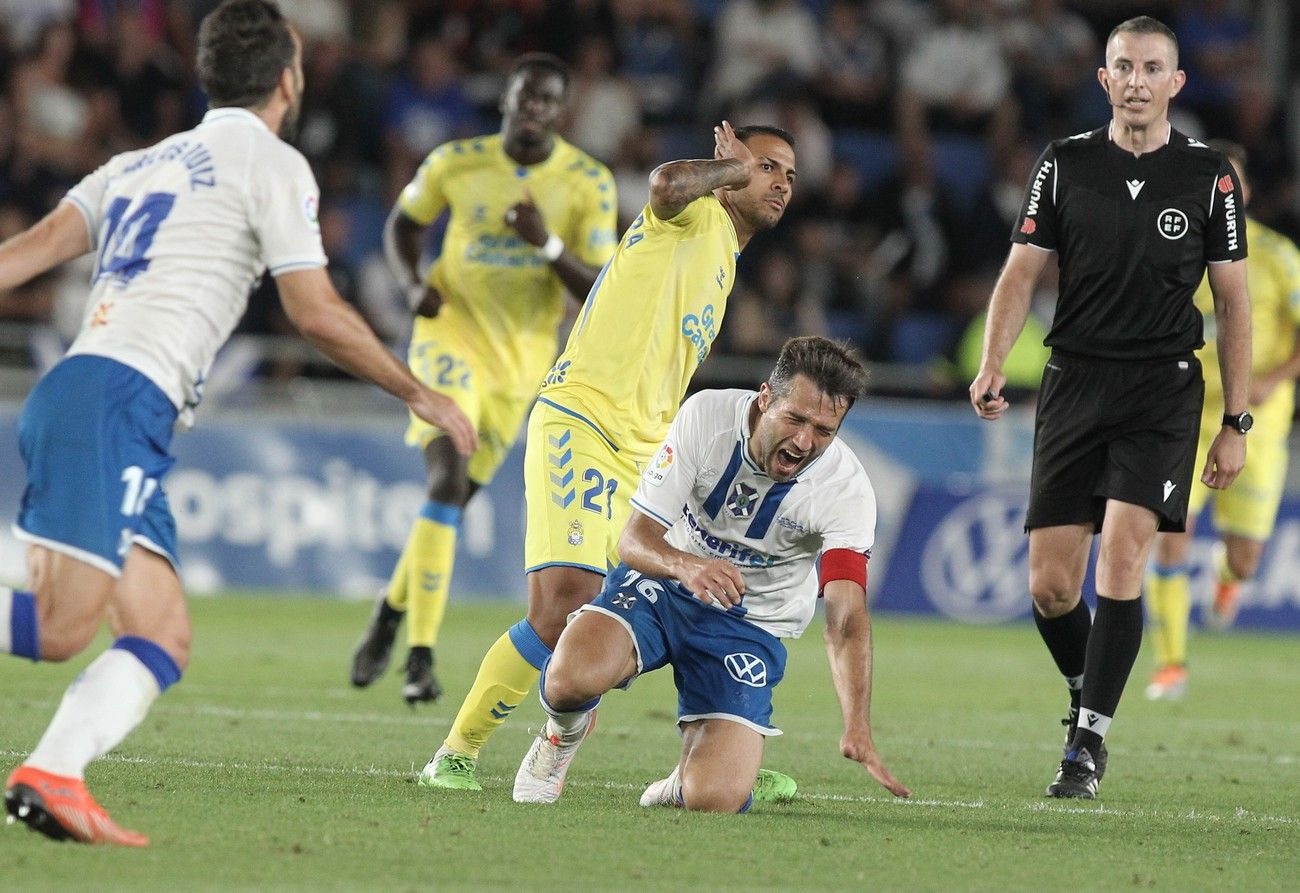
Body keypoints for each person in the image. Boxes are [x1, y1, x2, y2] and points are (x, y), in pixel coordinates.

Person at [0, 0, 476, 846]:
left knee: (160, 631)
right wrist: (421, 393)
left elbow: (29, 248)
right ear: (289, 76)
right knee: (58, 628)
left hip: (96, 394)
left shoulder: (134, 162)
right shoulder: (274, 162)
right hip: (119, 398)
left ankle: (53, 771)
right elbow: (317, 311)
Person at [418, 120, 798, 793]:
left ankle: (731, 743)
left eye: (789, 175)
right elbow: (664, 183)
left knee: (705, 594)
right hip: (584, 420)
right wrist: (730, 171)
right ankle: (455, 752)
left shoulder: (725, 259)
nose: (779, 183)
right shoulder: (693, 216)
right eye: (767, 166)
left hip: (648, 450)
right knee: (565, 600)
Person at [968, 15, 1251, 800]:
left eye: (1151, 67)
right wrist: (993, 361)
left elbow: (1233, 302)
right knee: (1052, 587)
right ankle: (1085, 690)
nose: (1135, 80)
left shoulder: (1211, 176)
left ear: (1175, 83)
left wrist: (1236, 422)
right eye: (1122, 66)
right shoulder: (1064, 165)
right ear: (1104, 79)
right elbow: (1021, 273)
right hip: (1074, 381)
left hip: (1161, 389)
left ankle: (1086, 743)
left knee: (1124, 558)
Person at [511, 336, 910, 809]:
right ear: (766, 398)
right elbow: (634, 540)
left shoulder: (846, 491)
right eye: (796, 419)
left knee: (714, 799)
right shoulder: (707, 418)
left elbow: (845, 617)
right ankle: (561, 736)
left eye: (824, 430)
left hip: (749, 625)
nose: (805, 442)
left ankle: (689, 780)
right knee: (569, 677)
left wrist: (857, 725)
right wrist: (687, 567)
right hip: (663, 583)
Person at [348, 53, 618, 705]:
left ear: (562, 110)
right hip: (449, 339)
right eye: (526, 97)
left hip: (521, 362)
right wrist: (413, 284)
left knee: (451, 502)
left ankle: (389, 611)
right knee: (445, 478)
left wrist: (546, 244)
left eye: (548, 102)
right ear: (507, 97)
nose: (534, 110)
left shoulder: (588, 182)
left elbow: (603, 287)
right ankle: (421, 657)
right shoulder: (456, 162)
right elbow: (402, 228)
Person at [1145, 141, 1300, 700]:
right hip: (1188, 413)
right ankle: (1171, 664)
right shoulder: (1172, 249)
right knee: (1169, 534)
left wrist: (1272, 380)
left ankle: (1227, 576)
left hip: (1258, 419)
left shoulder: (1278, 256)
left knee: (1246, 559)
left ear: (1246, 191)